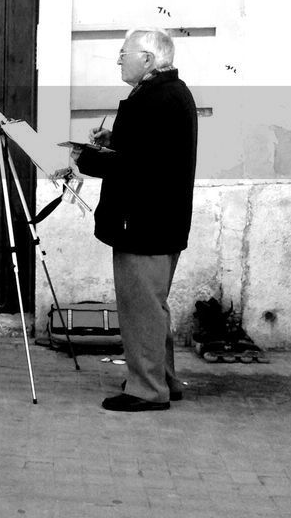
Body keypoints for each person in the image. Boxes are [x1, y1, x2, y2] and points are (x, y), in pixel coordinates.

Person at [70, 28, 197, 412]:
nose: (119, 59)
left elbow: (135, 165)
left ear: (148, 58)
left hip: (144, 222)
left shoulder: (156, 98)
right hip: (159, 220)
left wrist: (86, 157)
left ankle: (146, 389)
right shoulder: (168, 92)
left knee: (141, 307)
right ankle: (164, 380)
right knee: (152, 305)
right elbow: (146, 151)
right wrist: (112, 139)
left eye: (124, 53)